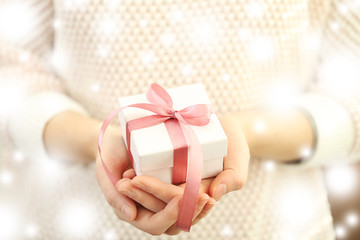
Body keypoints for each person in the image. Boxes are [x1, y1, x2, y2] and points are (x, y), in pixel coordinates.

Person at [0, 0, 359, 239]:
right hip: (74, 222)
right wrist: (96, 140)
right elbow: (11, 70)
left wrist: (249, 133)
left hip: (274, 224)